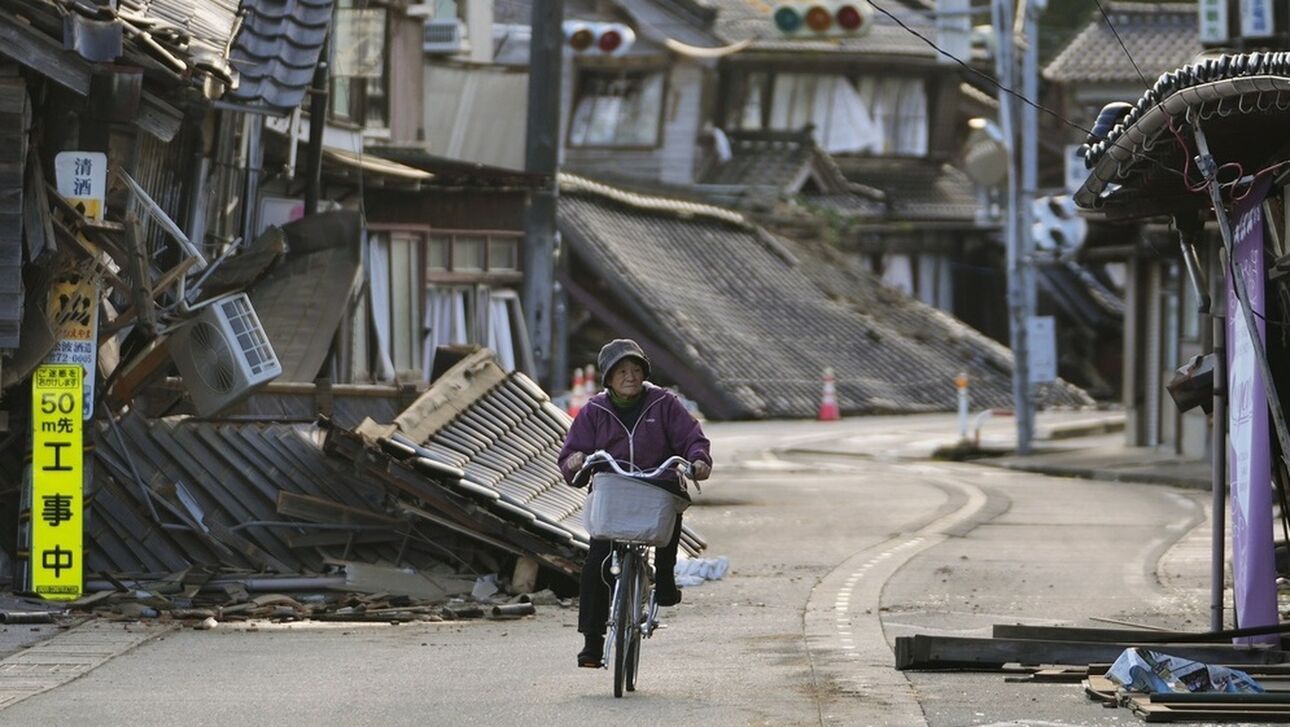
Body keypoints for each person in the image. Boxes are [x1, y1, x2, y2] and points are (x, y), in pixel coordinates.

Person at [559, 339, 712, 668]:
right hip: (613, 490)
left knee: (671, 511)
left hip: (656, 483)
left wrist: (698, 459)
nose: (630, 376)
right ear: (609, 379)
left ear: (644, 373)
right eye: (622, 371)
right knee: (596, 563)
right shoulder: (595, 411)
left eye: (636, 370)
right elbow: (572, 451)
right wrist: (574, 462)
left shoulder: (664, 404)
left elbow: (691, 437)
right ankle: (592, 642)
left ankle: (666, 579)